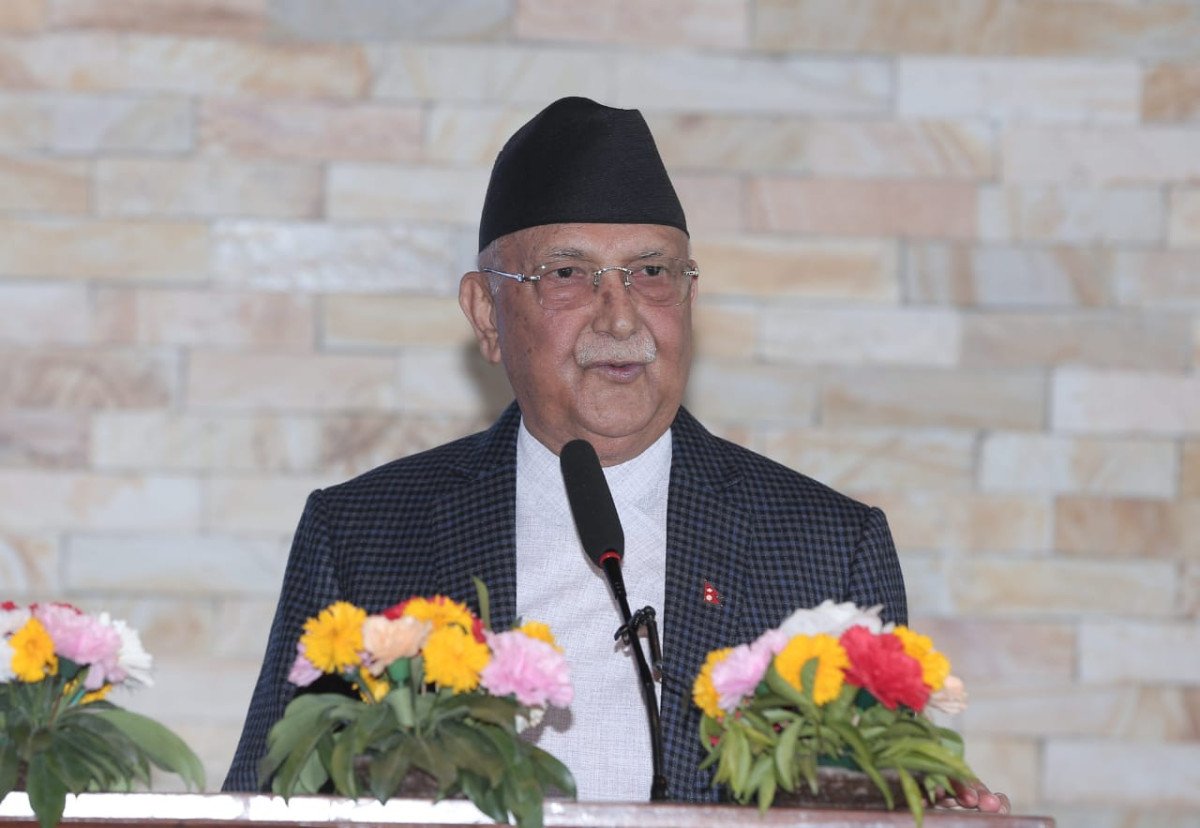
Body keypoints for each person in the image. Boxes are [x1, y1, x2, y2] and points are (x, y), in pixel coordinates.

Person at [224, 97, 1006, 812]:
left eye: (652, 273)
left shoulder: (827, 548)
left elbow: (877, 799)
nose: (622, 318)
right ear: (487, 313)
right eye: (568, 275)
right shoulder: (362, 535)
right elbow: (268, 800)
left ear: (689, 297)